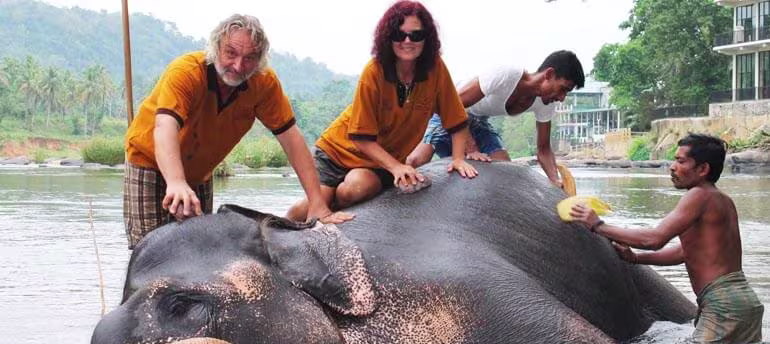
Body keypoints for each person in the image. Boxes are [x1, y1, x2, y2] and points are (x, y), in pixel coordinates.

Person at [123, 14, 351, 249]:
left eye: (249, 58)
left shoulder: (263, 84)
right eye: (230, 53)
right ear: (215, 48)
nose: (238, 66)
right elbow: (165, 126)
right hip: (149, 161)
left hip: (199, 171)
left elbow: (291, 139)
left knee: (198, 249)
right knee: (148, 250)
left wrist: (317, 203)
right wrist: (176, 182)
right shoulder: (187, 71)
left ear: (260, 60)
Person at [286, 0, 487, 222]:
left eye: (416, 35)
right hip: (338, 151)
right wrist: (397, 167)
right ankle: (287, 220)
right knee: (310, 207)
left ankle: (333, 202)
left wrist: (458, 158)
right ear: (388, 38)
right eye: (400, 35)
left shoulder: (435, 70)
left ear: (427, 39)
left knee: (356, 189)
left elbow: (456, 121)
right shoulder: (374, 71)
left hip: (380, 159)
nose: (407, 41)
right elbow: (360, 138)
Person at [570, 133, 764, 344]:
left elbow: (655, 239)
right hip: (745, 302)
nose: (672, 167)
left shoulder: (698, 195)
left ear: (702, 169)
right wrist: (636, 258)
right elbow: (685, 251)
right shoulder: (723, 200)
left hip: (723, 303)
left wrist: (599, 225)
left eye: (681, 161)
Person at [406, 50, 585, 188]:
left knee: (506, 169)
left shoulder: (546, 103)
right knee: (416, 161)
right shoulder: (507, 74)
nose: (562, 98)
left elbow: (544, 149)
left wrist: (555, 181)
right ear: (549, 74)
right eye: (563, 89)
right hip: (450, 110)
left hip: (480, 121)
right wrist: (471, 147)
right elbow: (454, 106)